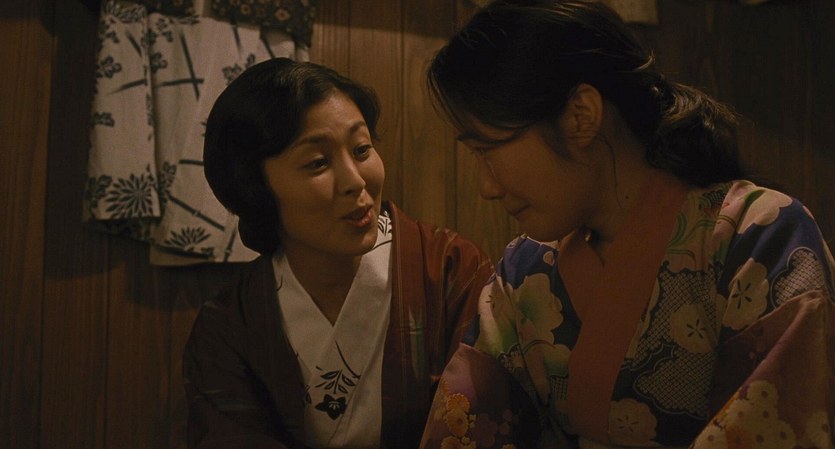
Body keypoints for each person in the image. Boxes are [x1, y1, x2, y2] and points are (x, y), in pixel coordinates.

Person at [418, 1, 835, 448]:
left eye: (486, 150)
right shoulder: (524, 272)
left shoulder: (761, 235)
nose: (485, 187)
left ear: (581, 115)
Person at [183, 57, 493, 449]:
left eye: (362, 149)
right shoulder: (231, 326)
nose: (355, 180)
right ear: (255, 187)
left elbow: (485, 422)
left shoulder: (450, 270)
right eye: (318, 163)